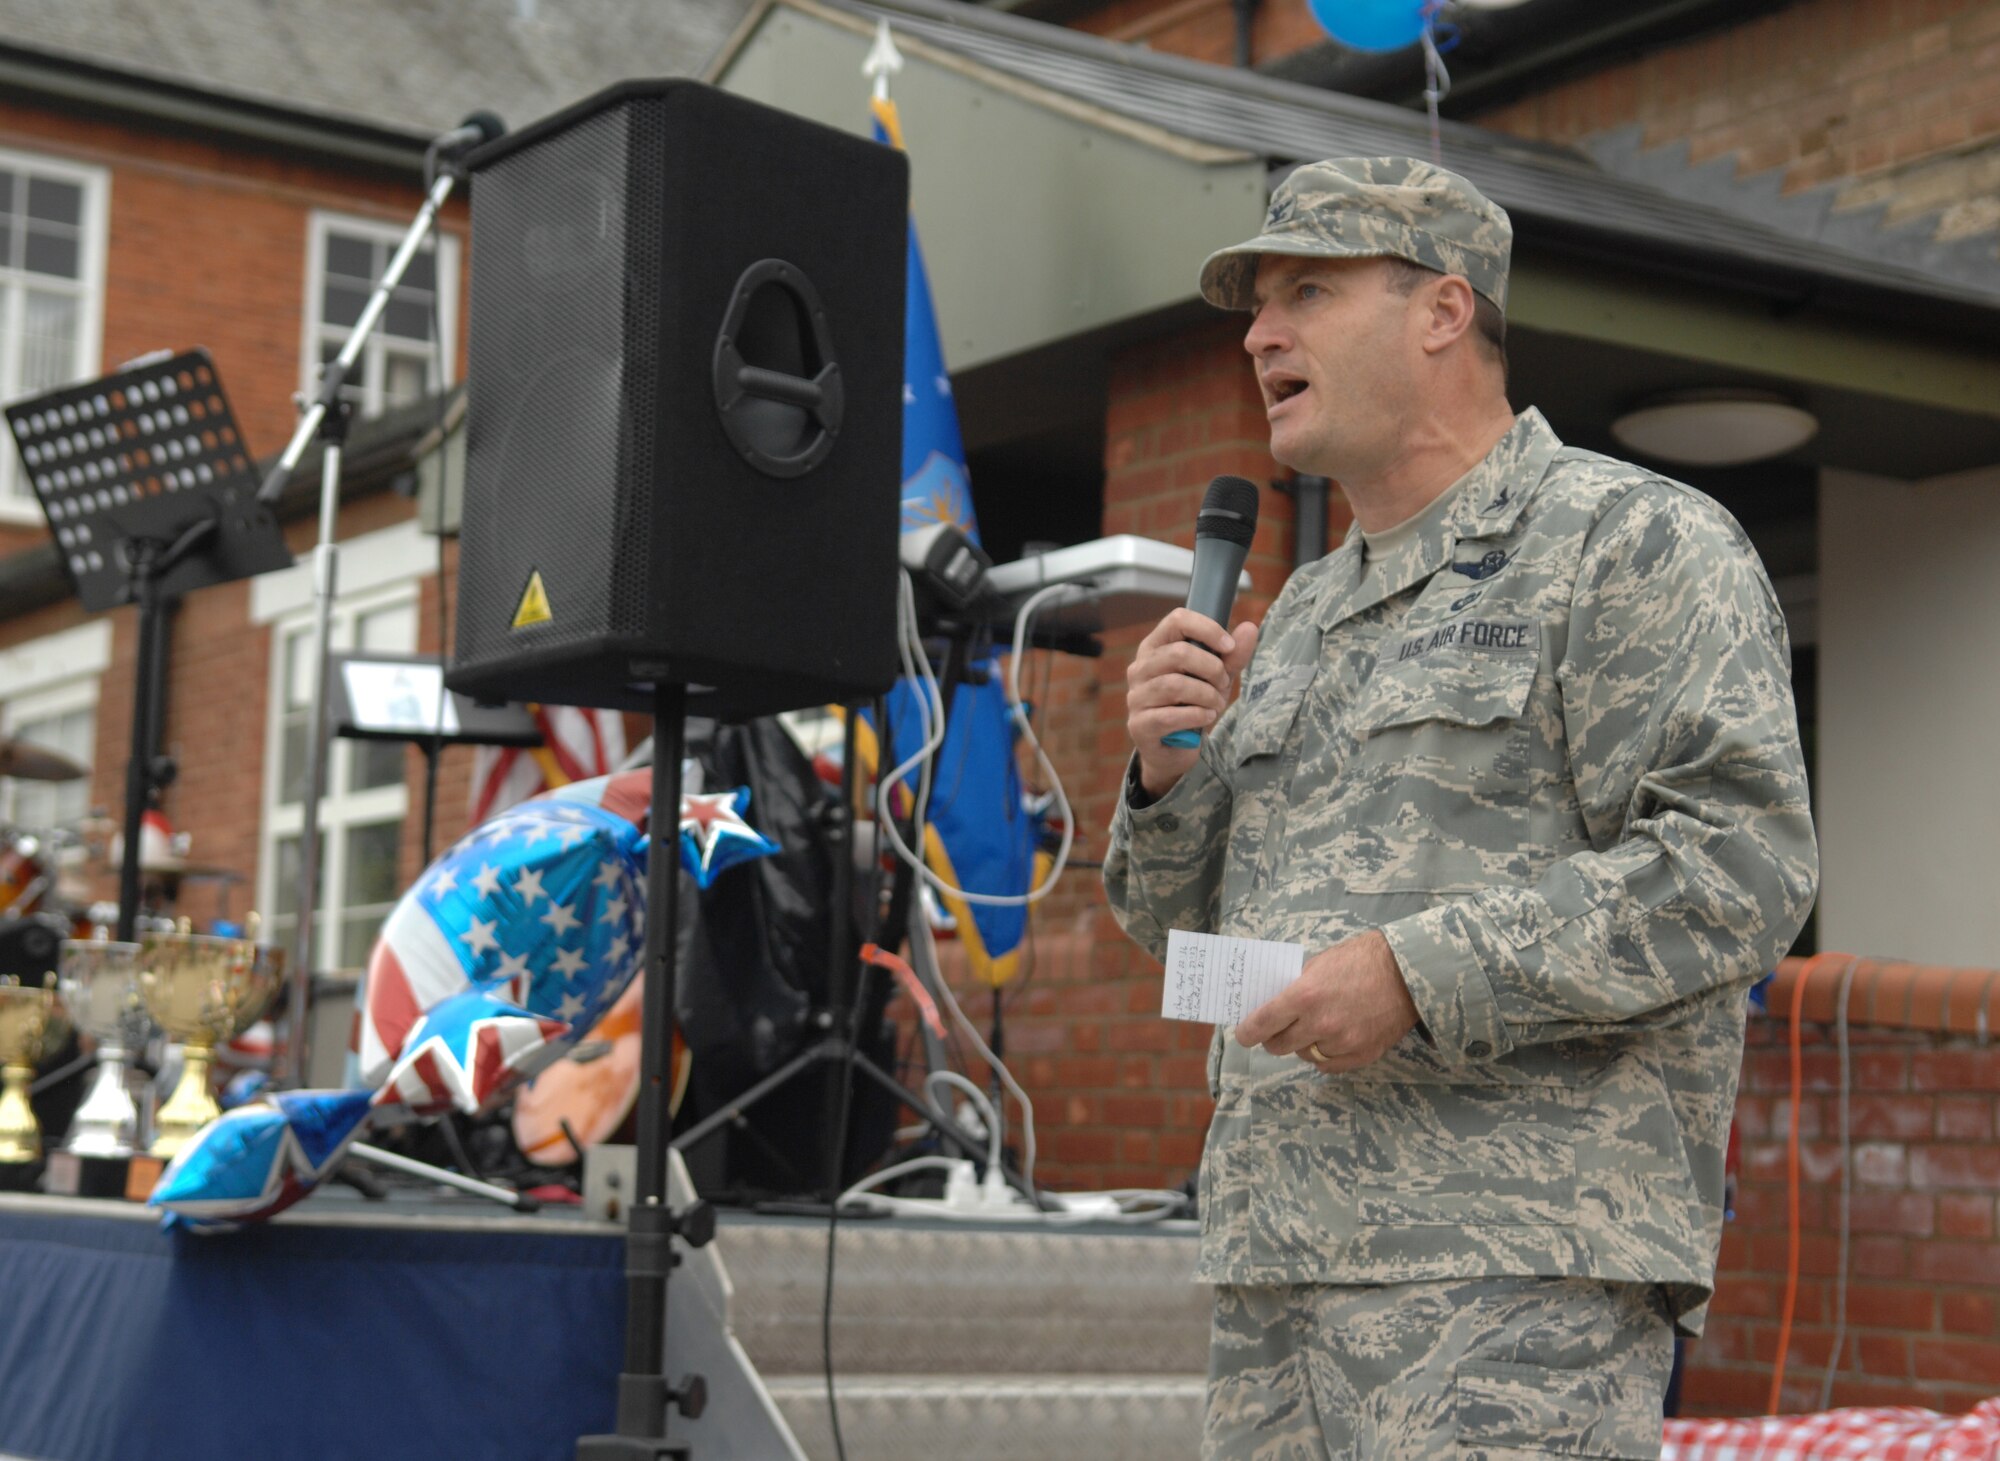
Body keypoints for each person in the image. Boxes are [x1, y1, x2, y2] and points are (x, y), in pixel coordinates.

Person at [1103, 157, 1818, 1459]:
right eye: (1256, 306)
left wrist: (1417, 972)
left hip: (1509, 1273)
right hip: (1275, 1269)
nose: (1260, 333)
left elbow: (1740, 865)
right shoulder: (1304, 610)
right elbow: (1183, 934)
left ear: (1442, 310)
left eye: (1306, 290)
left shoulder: (1631, 542)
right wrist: (1166, 776)